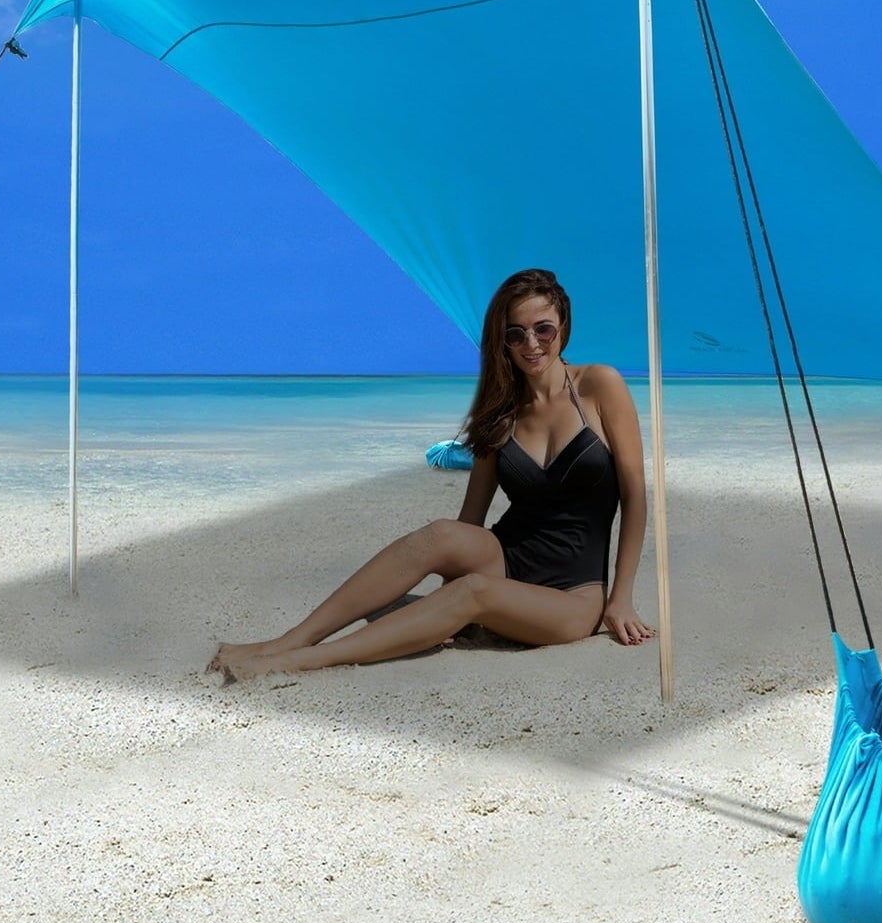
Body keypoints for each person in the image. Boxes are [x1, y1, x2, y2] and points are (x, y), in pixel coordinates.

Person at [209, 269, 655, 682]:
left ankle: (301, 660)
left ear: (563, 327)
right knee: (441, 534)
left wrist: (620, 598)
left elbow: (634, 496)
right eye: (515, 333)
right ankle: (288, 641)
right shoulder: (500, 413)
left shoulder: (599, 386)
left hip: (573, 595)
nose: (531, 344)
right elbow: (470, 520)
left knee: (474, 591)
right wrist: (442, 609)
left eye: (543, 329)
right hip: (505, 560)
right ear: (501, 341)